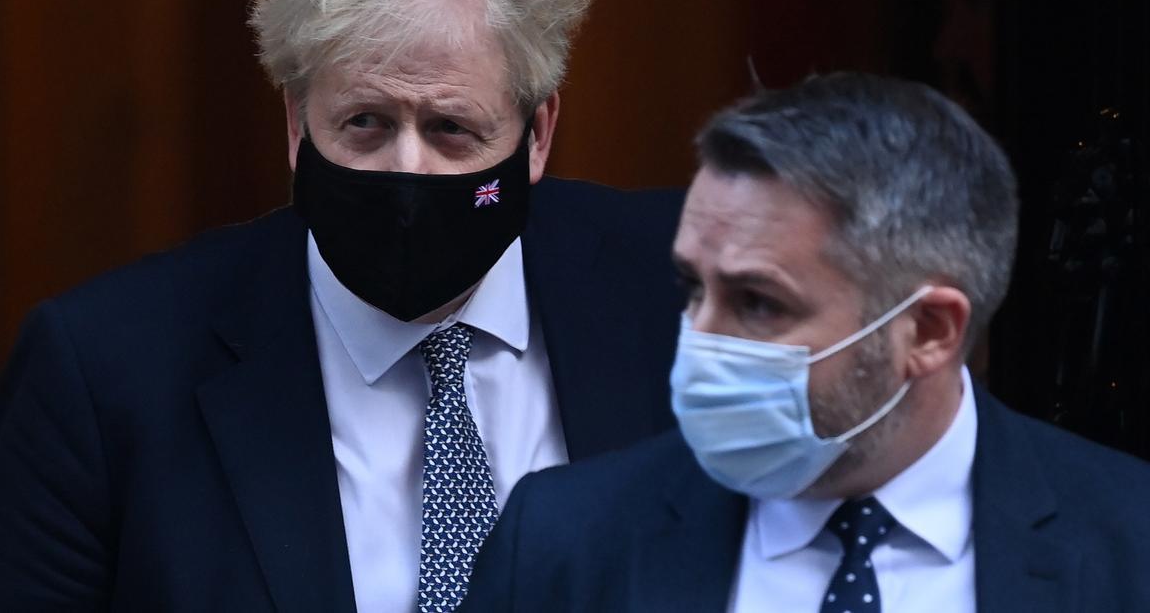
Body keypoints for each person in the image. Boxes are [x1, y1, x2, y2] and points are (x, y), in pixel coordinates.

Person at [0, 0, 685, 612]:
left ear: (538, 135)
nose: (408, 171)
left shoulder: (684, 297)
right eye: (365, 122)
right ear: (298, 124)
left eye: (451, 130)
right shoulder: (108, 371)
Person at [462, 72, 1150, 612]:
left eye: (758, 304)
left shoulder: (1126, 544)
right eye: (693, 288)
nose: (699, 342)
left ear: (930, 331)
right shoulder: (569, 540)